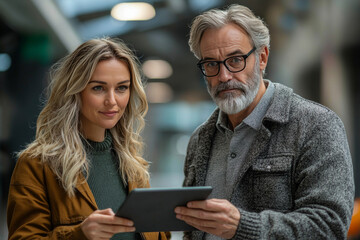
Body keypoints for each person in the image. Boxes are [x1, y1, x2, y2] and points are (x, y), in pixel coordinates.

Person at [174, 4, 354, 240]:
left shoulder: (316, 125)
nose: (224, 76)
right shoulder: (200, 140)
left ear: (262, 57)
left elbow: (328, 227)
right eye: (211, 64)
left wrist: (243, 226)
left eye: (235, 60)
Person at [7, 37, 168, 240]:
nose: (112, 100)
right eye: (98, 88)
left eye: (121, 88)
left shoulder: (132, 166)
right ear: (75, 91)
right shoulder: (37, 164)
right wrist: (80, 234)